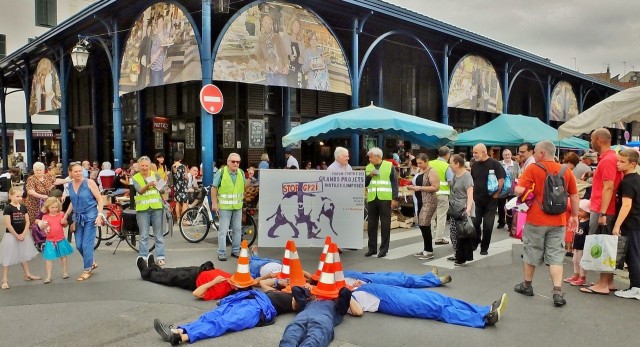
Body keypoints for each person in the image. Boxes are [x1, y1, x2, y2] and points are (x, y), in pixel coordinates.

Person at [513, 140, 579, 307]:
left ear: (542, 154)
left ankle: (527, 286)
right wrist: (575, 216)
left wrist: (528, 192)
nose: (534, 154)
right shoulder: (565, 170)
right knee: (556, 255)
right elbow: (574, 195)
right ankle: (557, 292)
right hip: (558, 220)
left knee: (532, 251)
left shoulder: (533, 168)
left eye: (535, 152)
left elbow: (518, 190)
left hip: (536, 219)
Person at [153, 289, 295, 345]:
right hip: (248, 300)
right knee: (210, 316)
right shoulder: (285, 287)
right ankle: (178, 331)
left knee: (221, 323)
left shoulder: (299, 299)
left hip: (257, 310)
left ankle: (182, 337)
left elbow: (299, 303)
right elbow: (263, 283)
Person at [347, 281, 508, 328]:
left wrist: (359, 284)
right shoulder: (344, 297)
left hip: (396, 291)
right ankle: (483, 318)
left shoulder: (352, 286)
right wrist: (346, 295)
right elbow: (358, 311)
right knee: (437, 309)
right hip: (395, 302)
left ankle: (484, 309)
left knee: (444, 300)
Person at [581, 128, 623, 295]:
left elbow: (608, 187)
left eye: (592, 139)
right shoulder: (611, 158)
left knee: (603, 244)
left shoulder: (607, 160)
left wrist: (603, 213)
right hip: (605, 207)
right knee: (608, 244)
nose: (591, 142)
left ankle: (603, 284)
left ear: (598, 140)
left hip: (603, 208)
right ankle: (608, 281)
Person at [62, 162, 103, 281]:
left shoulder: (89, 182)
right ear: (70, 173)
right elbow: (72, 202)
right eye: (76, 171)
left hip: (91, 216)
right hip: (78, 218)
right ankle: (91, 261)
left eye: (80, 171)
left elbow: (99, 199)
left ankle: (87, 269)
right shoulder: (69, 185)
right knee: (79, 245)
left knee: (86, 244)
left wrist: (100, 215)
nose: (79, 173)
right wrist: (66, 215)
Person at [279, 286, 353, 347]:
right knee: (290, 335)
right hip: (303, 316)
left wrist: (337, 292)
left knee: (314, 339)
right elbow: (296, 289)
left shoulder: (337, 307)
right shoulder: (310, 300)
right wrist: (308, 291)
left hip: (322, 318)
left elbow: (345, 294)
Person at [136, 255, 234, 300]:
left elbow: (196, 293)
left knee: (169, 277)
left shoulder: (222, 291)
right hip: (201, 270)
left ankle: (145, 272)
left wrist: (214, 282)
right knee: (172, 271)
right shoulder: (232, 278)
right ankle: (153, 267)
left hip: (193, 280)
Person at [611, 149, 640, 299]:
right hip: (636, 221)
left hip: (631, 223)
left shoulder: (628, 181)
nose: (618, 164)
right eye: (618, 160)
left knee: (632, 255)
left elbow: (626, 205)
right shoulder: (636, 179)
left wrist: (617, 225)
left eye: (622, 161)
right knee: (635, 254)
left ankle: (636, 287)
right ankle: (635, 286)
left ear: (633, 164)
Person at [1, 187, 41, 289]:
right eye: (16, 196)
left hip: (23, 235)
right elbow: (8, 224)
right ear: (10, 196)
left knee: (24, 255)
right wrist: (16, 235)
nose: (19, 198)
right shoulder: (8, 208)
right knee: (7, 257)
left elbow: (27, 221)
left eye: (20, 196)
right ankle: (4, 280)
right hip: (11, 235)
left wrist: (23, 234)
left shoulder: (23, 207)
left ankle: (27, 274)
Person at [471, 144, 505, 255]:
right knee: (475, 222)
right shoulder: (474, 165)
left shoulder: (495, 163)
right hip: (477, 199)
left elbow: (501, 179)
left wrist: (497, 193)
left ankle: (484, 247)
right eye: (473, 152)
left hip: (491, 200)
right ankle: (476, 240)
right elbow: (472, 180)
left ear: (484, 152)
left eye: (476, 152)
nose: (474, 155)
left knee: (488, 225)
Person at [132, 156, 166, 266]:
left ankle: (160, 256)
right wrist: (148, 185)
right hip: (142, 209)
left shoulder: (155, 175)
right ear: (138, 166)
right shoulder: (135, 177)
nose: (145, 168)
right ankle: (144, 257)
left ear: (150, 165)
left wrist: (159, 185)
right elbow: (139, 191)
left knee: (158, 234)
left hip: (156, 207)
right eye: (142, 165)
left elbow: (163, 189)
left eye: (147, 165)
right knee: (144, 235)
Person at [364, 147, 398, 258]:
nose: (369, 159)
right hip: (372, 198)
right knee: (372, 225)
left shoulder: (389, 166)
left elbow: (394, 182)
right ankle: (372, 249)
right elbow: (365, 183)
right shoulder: (368, 167)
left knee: (385, 224)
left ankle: (383, 249)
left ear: (377, 156)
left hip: (385, 198)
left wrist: (394, 198)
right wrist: (370, 176)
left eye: (371, 157)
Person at [211, 153, 246, 261]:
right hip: (225, 207)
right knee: (223, 230)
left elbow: (244, 186)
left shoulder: (241, 173)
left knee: (237, 230)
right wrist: (214, 203)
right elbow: (214, 188)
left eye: (238, 162)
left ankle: (235, 250)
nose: (235, 163)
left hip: (237, 206)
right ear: (228, 162)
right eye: (233, 161)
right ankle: (221, 252)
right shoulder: (221, 172)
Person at [35, 197, 74, 284]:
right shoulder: (45, 216)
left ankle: (64, 272)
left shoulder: (61, 214)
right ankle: (48, 275)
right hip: (50, 240)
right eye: (52, 207)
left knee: (63, 256)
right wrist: (42, 225)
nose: (54, 209)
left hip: (60, 239)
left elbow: (65, 225)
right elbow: (41, 227)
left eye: (56, 207)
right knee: (49, 258)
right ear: (48, 207)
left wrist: (65, 222)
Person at [408, 153, 439, 260]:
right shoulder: (420, 171)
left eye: (421, 163)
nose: (419, 165)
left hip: (429, 201)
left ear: (426, 161)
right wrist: (413, 187)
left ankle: (429, 251)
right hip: (419, 200)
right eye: (417, 163)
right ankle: (426, 248)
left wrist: (420, 188)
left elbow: (436, 187)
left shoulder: (432, 171)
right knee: (422, 224)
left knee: (424, 223)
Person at [448, 154, 475, 266]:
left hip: (462, 208)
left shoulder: (466, 176)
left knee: (462, 234)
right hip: (454, 208)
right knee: (454, 233)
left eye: (451, 163)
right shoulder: (455, 175)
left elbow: (470, 193)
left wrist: (468, 209)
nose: (449, 165)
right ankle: (458, 254)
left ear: (457, 164)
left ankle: (461, 257)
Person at [25, 162, 68, 227]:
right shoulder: (31, 179)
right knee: (35, 223)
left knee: (46, 221)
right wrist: (42, 196)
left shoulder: (47, 176)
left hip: (46, 204)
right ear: (34, 170)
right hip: (34, 205)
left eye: (40, 170)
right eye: (37, 170)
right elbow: (30, 191)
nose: (38, 171)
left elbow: (56, 181)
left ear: (43, 170)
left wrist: (68, 180)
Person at [564, 199, 591, 286]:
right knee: (575, 260)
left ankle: (582, 277)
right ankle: (576, 274)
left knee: (581, 261)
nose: (578, 212)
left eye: (581, 211)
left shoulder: (588, 223)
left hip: (583, 246)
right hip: (576, 244)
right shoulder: (579, 220)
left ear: (587, 212)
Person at [256, 13, 288, 87]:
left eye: (270, 23)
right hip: (269, 74)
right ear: (262, 24)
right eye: (266, 23)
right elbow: (259, 58)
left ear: (272, 25)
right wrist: (266, 64)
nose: (268, 25)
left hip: (281, 71)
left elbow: (284, 54)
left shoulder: (277, 37)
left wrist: (286, 66)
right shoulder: (260, 39)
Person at [430, 146, 454, 245]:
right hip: (442, 195)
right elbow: (450, 181)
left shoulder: (430, 163)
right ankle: (439, 238)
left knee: (430, 217)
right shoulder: (446, 166)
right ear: (447, 155)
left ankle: (429, 236)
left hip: (430, 193)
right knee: (441, 216)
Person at [497, 149, 520, 230]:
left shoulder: (516, 164)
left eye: (508, 154)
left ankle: (510, 224)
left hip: (512, 189)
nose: (507, 156)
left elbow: (518, 175)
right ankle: (501, 222)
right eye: (505, 155)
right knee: (500, 207)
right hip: (502, 189)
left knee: (511, 207)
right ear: (503, 156)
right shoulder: (499, 164)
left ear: (511, 155)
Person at [149, 15, 168, 87]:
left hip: (161, 68)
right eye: (159, 23)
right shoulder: (155, 39)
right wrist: (159, 50)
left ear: (163, 22)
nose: (160, 24)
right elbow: (152, 60)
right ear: (157, 24)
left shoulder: (165, 35)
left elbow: (168, 43)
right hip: (155, 70)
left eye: (161, 22)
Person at [171, 152, 188, 218]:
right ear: (180, 159)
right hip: (183, 186)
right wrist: (187, 180)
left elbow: (174, 176)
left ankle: (178, 218)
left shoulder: (173, 166)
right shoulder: (183, 166)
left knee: (177, 203)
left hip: (176, 186)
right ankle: (183, 219)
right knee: (184, 202)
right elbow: (186, 177)